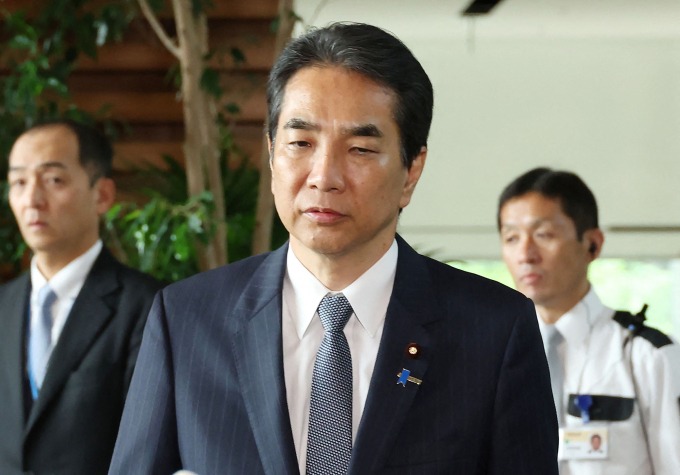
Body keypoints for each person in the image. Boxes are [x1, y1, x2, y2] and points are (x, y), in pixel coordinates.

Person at [109, 23, 558, 475]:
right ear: (271, 154)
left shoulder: (494, 331)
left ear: (411, 171)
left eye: (360, 149)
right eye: (300, 143)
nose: (324, 177)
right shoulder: (186, 320)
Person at [0, 120, 163, 474]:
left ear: (102, 195)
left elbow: (148, 449)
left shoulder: (149, 306)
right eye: (19, 182)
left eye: (53, 180)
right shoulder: (4, 306)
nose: (32, 200)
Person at [497, 167, 680, 474]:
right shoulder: (494, 356)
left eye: (543, 235)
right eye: (511, 237)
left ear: (592, 244)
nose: (525, 254)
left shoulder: (647, 356)